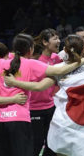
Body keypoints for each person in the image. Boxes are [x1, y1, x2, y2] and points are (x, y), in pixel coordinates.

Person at [0, 33, 84, 156]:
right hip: (19, 119)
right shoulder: (31, 63)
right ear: (30, 49)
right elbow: (59, 70)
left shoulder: (0, 63)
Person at [30, 28, 62, 156]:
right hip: (34, 108)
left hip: (50, 106)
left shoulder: (57, 58)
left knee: (53, 143)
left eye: (58, 38)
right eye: (55, 38)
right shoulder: (34, 61)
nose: (59, 41)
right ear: (45, 42)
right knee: (36, 143)